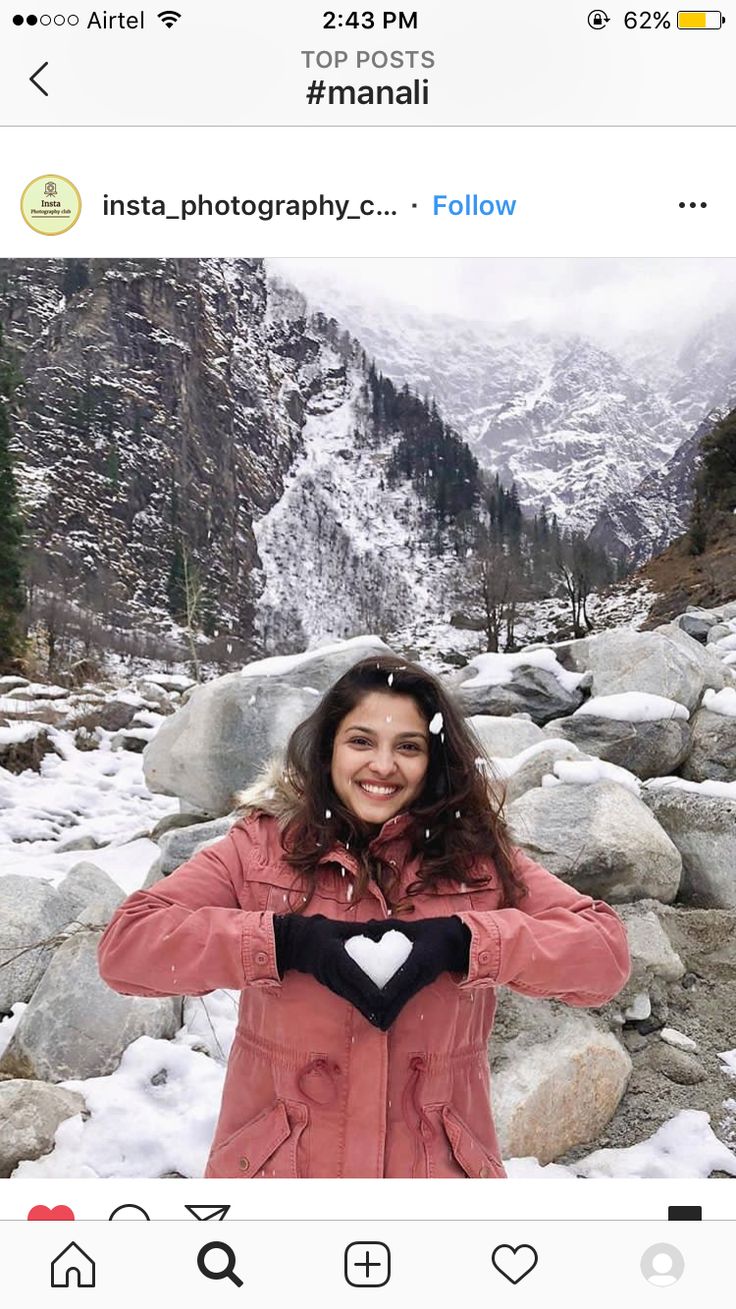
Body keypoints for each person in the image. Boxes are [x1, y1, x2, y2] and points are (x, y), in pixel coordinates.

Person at [98, 653, 631, 1178]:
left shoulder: (477, 861)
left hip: (434, 1181)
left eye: (409, 747)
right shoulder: (260, 846)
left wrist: (464, 942)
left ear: (435, 760)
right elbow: (128, 947)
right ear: (328, 748)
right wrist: (285, 942)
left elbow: (603, 955)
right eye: (361, 741)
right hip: (278, 1176)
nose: (382, 766)